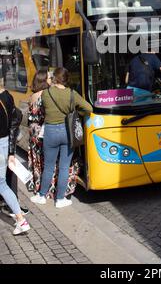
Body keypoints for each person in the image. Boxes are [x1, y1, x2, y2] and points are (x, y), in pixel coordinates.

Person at [31, 67, 92, 208]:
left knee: (49, 166)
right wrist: (76, 112)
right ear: (66, 79)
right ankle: (60, 199)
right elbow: (89, 108)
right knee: (64, 167)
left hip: (50, 132)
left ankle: (41, 196)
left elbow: (41, 109)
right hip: (67, 132)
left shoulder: (46, 93)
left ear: (55, 78)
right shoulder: (72, 94)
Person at [0, 84, 30, 235]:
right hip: (5, 144)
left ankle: (20, 220)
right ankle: (20, 220)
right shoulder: (7, 96)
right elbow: (12, 126)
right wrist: (11, 152)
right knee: (2, 184)